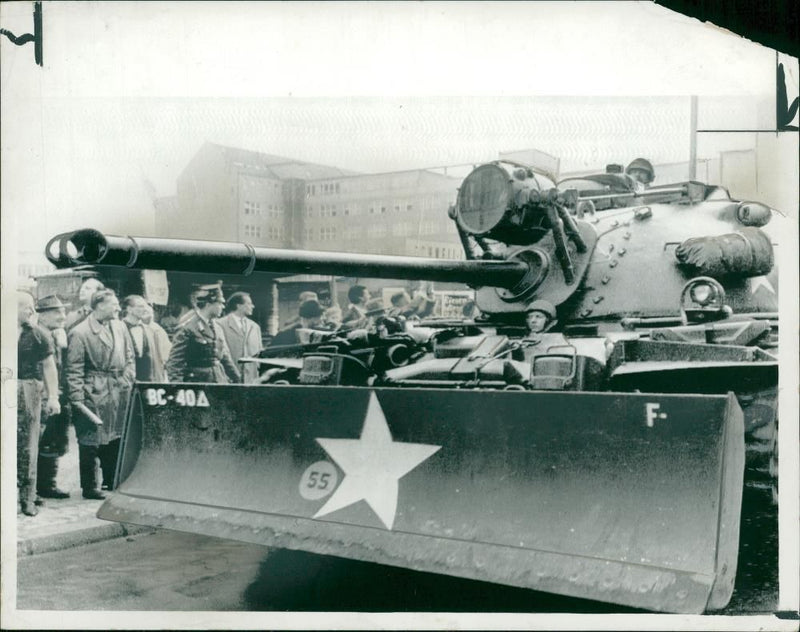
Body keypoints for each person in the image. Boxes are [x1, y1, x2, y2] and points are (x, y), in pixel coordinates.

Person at [66, 289, 135, 497]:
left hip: (118, 389)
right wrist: (77, 398)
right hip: (93, 391)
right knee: (91, 439)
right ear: (99, 306)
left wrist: (126, 379)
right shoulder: (80, 333)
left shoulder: (120, 326)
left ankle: (111, 480)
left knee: (115, 436)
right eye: (114, 304)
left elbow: (130, 357)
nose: (118, 308)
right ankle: (90, 486)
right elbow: (74, 369)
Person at [17, 291, 60, 516]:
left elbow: (49, 366)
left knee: (29, 445)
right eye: (28, 308)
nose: (32, 312)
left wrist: (53, 397)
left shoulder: (37, 335)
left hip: (29, 390)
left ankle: (28, 498)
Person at [34, 295, 72, 500]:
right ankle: (36, 488)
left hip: (55, 394)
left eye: (63, 312)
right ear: (43, 315)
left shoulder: (55, 334)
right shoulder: (38, 334)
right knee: (39, 441)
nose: (62, 316)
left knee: (53, 441)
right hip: (42, 395)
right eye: (57, 312)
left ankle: (47, 485)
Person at [165, 284, 241, 384]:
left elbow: (225, 357)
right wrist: (178, 388)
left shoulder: (217, 327)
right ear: (209, 304)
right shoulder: (188, 328)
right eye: (220, 303)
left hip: (219, 380)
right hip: (197, 383)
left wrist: (238, 379)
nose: (223, 307)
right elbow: (175, 363)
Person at [217, 292, 263, 383]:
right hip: (228, 379)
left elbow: (260, 354)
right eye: (249, 304)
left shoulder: (255, 327)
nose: (252, 306)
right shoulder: (220, 325)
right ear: (239, 306)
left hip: (251, 380)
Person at [121, 295, 153, 381]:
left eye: (145, 306)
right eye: (140, 306)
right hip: (126, 380)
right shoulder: (119, 328)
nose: (145, 309)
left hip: (145, 380)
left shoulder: (147, 329)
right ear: (129, 309)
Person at [141, 304, 171, 381]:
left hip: (157, 368)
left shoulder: (158, 330)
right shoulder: (137, 329)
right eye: (144, 312)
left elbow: (167, 353)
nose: (149, 315)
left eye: (150, 312)